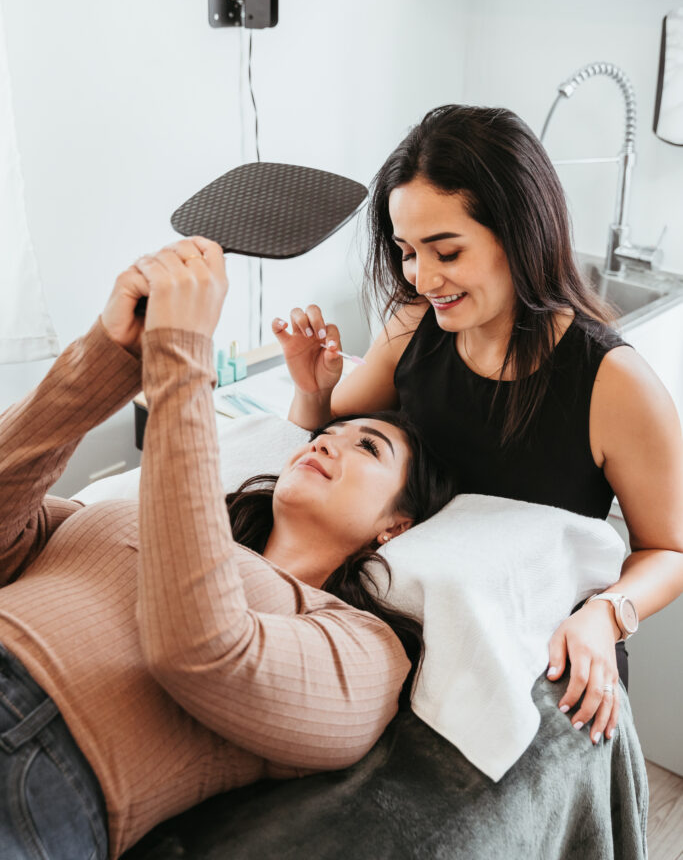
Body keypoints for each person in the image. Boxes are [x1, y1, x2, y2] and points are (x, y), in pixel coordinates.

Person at [0, 236, 456, 860]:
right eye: (329, 433)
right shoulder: (124, 512)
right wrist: (108, 357)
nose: (326, 443)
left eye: (368, 448)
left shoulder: (361, 647)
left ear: (396, 526)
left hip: (34, 746)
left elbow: (198, 650)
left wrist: (181, 360)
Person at [275, 103, 683, 749]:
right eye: (406, 252)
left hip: (548, 634)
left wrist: (606, 617)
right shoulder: (413, 326)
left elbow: (667, 550)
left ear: (520, 234)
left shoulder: (612, 383)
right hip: (418, 615)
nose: (421, 278)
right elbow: (333, 429)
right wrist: (310, 390)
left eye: (446, 251)